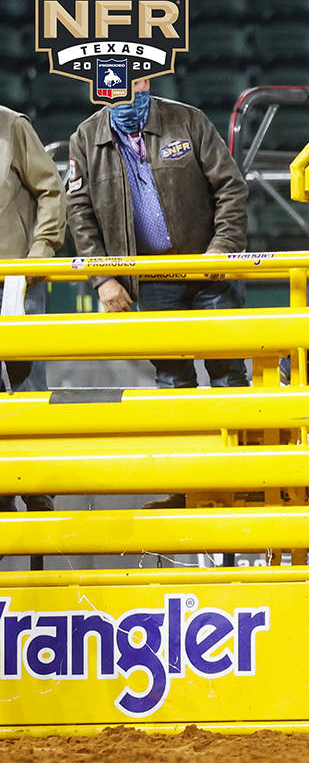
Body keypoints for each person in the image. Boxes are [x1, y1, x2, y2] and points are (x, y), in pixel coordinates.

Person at [67, 79, 250, 394]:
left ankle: (239, 443)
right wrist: (102, 277)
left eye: (131, 82)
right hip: (149, 276)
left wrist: (223, 246)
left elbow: (230, 187)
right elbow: (79, 213)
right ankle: (184, 443)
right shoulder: (84, 138)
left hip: (211, 269)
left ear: (146, 80)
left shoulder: (189, 119)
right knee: (171, 377)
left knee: (229, 371)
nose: (122, 93)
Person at [0, 106, 65, 516]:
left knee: (28, 388)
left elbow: (50, 188)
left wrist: (40, 252)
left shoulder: (12, 125)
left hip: (17, 278)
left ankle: (37, 485)